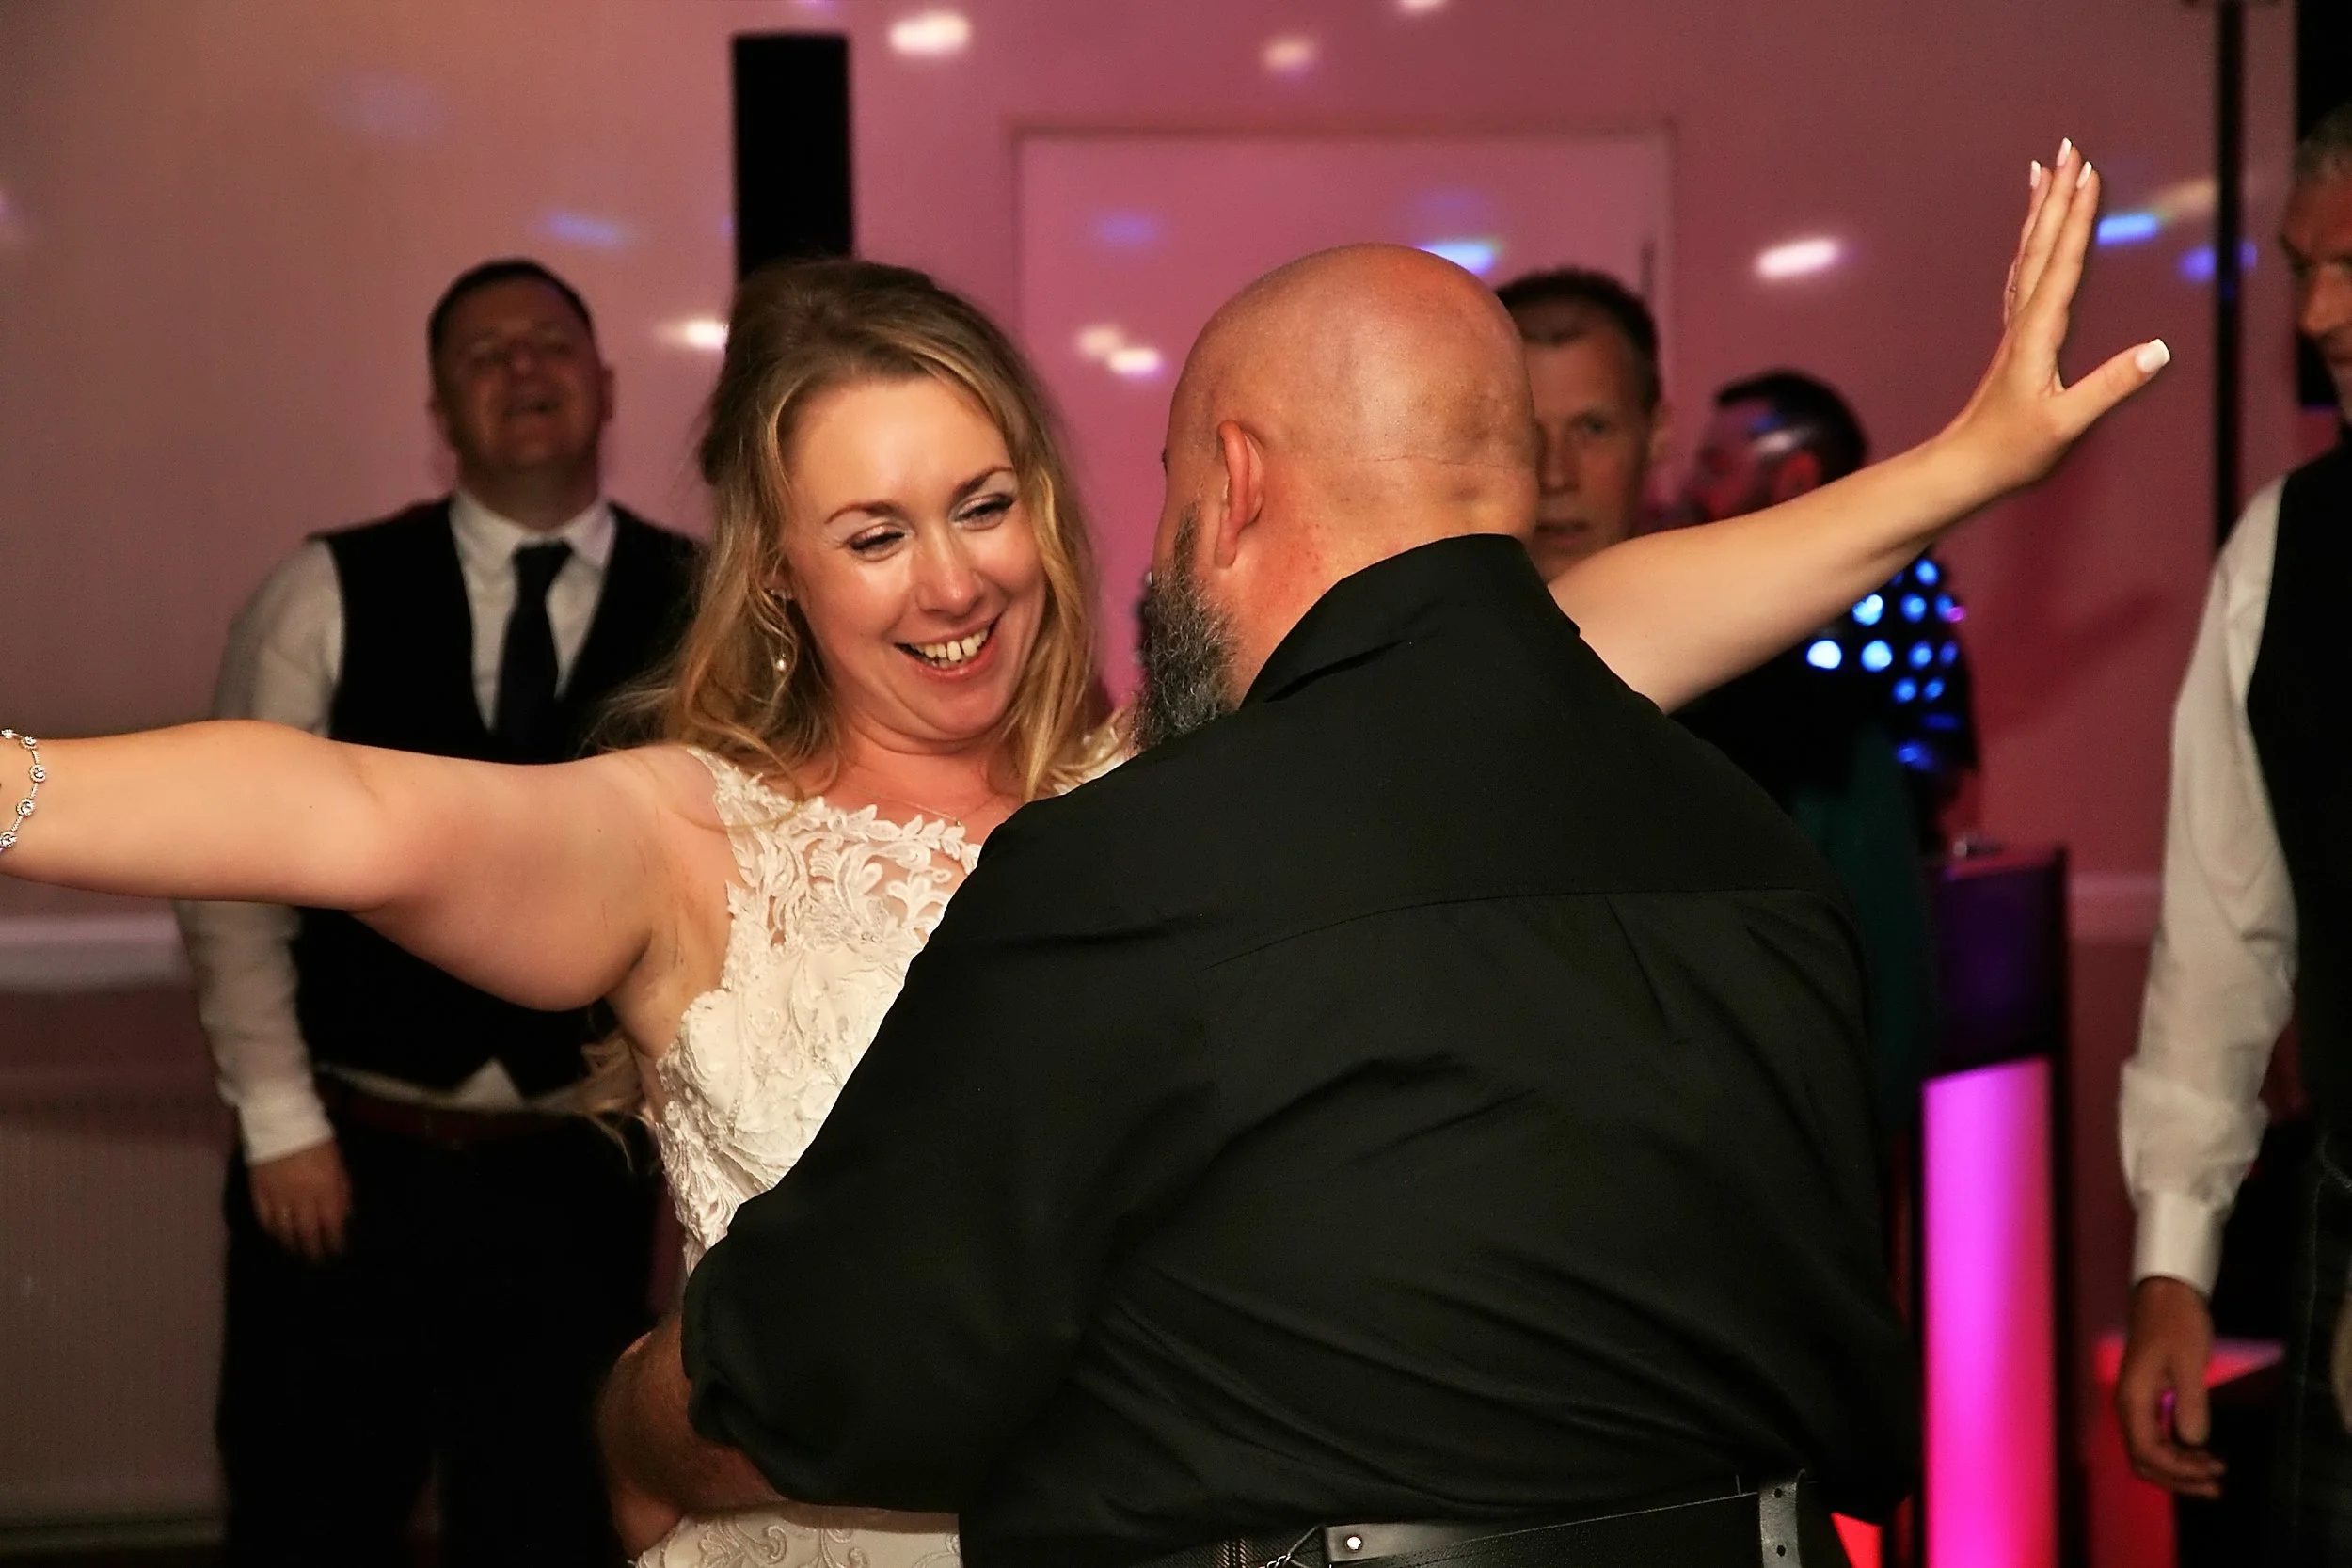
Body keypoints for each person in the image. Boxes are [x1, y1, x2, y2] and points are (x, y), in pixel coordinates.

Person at [0, 141, 2153, 1563]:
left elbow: (1547, 618)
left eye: (986, 504)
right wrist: (15, 787)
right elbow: (347, 808)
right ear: (782, 581)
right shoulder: (681, 841)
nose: (951, 581)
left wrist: (1958, 465)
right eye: (870, 532)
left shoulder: (1181, 797)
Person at [174, 258, 699, 1565]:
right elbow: (230, 870)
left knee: (552, 1522)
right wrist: (283, 1121)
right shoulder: (325, 587)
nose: (524, 368)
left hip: (578, 1181)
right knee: (308, 1515)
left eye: (550, 345)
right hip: (348, 1164)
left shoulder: (708, 600)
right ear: (441, 410)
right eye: (485, 353)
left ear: (605, 384)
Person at [2116, 101, 2352, 1555]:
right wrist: (2172, 1260)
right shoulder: (2289, 545)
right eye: (2302, 266)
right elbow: (2220, 934)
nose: (2320, 311)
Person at [1672, 370, 1958, 1126]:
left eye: (1715, 468)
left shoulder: (1839, 680)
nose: (1687, 493)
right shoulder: (1680, 636)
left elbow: (1888, 999)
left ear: (1796, 476)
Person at [1492, 266, 1667, 578]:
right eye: (1522, 434)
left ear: (1655, 435)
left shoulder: (1738, 619)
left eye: (1593, 429)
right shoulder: (1409, 621)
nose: (1555, 477)